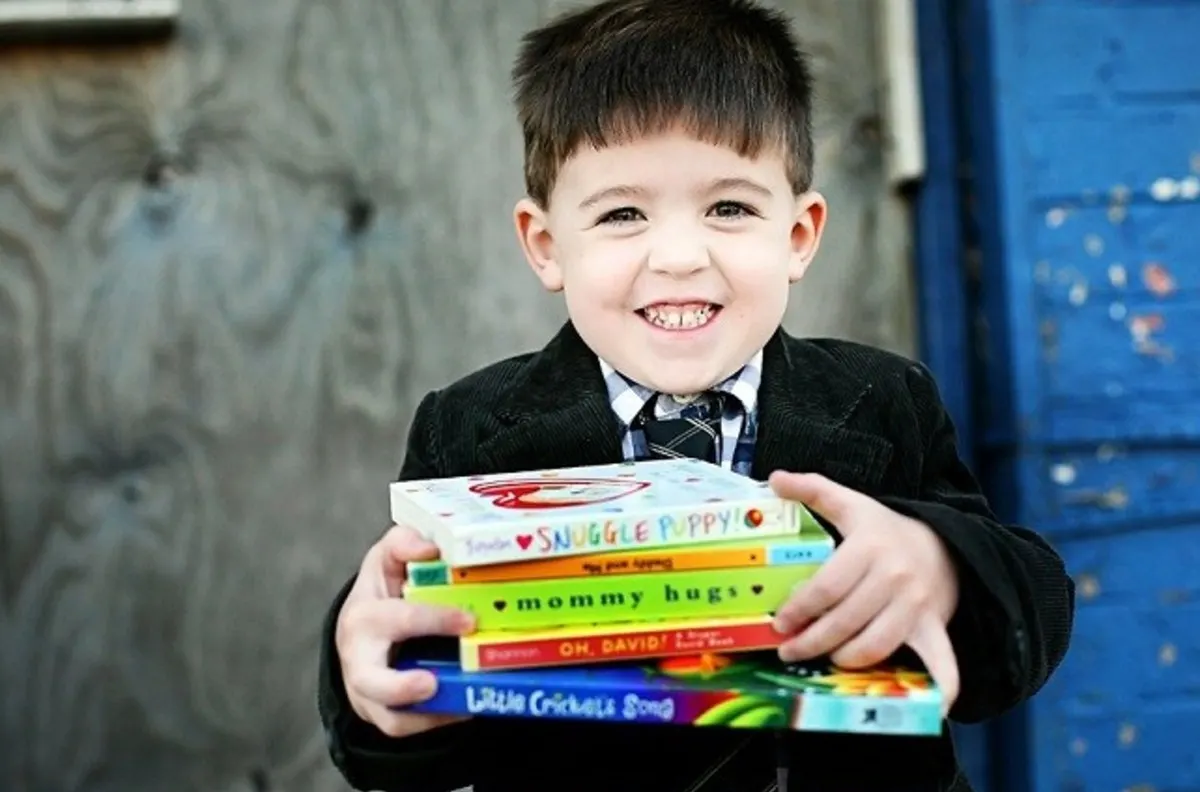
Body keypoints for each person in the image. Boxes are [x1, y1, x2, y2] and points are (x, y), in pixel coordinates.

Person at [317, 0, 1075, 789]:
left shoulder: (884, 398)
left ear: (798, 235)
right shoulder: (471, 428)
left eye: (729, 207)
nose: (679, 255)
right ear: (547, 247)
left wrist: (942, 565)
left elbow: (1018, 628)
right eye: (621, 214)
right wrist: (372, 681)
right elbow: (406, 721)